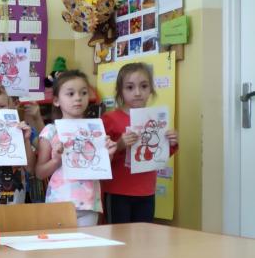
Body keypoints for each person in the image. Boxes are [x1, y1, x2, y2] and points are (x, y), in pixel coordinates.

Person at [35, 71, 116, 227]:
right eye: (70, 94)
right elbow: (39, 173)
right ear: (56, 101)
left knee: (86, 242)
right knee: (60, 243)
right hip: (59, 202)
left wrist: (109, 155)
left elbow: (100, 169)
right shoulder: (51, 131)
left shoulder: (95, 130)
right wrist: (56, 161)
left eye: (83, 93)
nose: (78, 98)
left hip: (89, 203)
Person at [102, 62, 178, 223]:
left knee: (144, 235)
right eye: (130, 87)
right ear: (120, 91)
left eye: (144, 86)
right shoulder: (109, 119)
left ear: (151, 89)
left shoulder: (155, 118)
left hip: (146, 191)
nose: (137, 93)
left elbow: (158, 155)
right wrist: (120, 144)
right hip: (117, 191)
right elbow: (101, 160)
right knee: (118, 235)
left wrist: (171, 143)